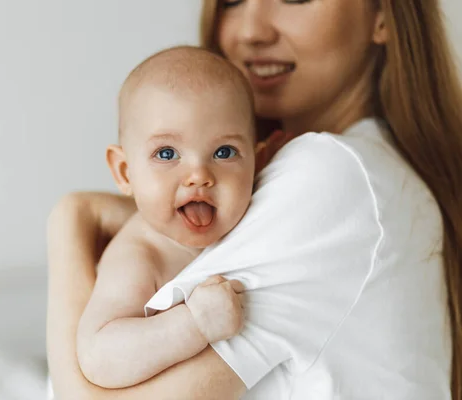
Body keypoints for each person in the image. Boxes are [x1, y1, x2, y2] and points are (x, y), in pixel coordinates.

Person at [47, 0, 462, 399]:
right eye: (232, 0)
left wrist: (70, 224)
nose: (250, 31)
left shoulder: (332, 173)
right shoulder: (372, 171)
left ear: (383, 15)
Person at [76, 45, 273, 389]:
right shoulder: (140, 255)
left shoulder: (260, 217)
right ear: (125, 172)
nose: (198, 174)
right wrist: (194, 324)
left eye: (224, 152)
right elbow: (99, 356)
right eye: (166, 153)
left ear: (258, 163)